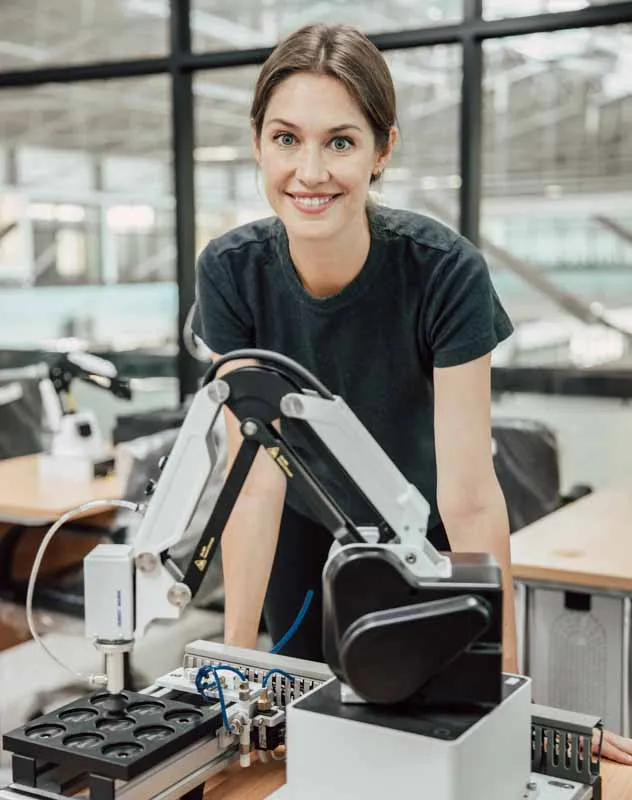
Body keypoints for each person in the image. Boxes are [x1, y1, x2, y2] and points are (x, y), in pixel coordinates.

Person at [193, 22, 632, 764]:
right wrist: (234, 666)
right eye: (286, 138)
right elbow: (254, 478)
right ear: (257, 144)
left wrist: (509, 699)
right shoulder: (231, 272)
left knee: (437, 733)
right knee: (293, 740)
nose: (309, 172)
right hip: (304, 523)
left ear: (382, 150)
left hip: (424, 530)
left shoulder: (443, 272)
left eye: (340, 141)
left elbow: (469, 495)